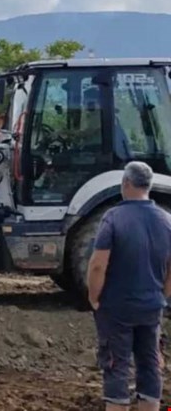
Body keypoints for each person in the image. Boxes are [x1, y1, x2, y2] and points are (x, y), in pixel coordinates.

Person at [87, 160, 171, 411]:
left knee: (116, 366)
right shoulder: (166, 220)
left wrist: (94, 297)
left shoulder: (113, 218)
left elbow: (98, 265)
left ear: (125, 183)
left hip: (117, 307)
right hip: (151, 306)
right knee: (149, 363)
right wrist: (163, 295)